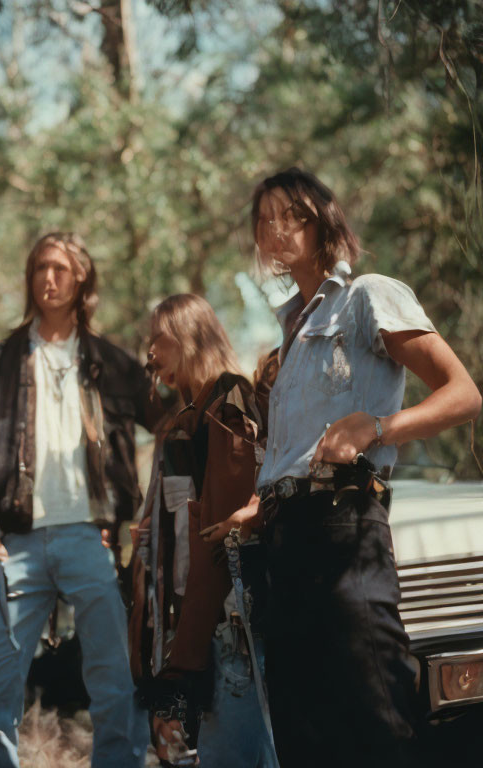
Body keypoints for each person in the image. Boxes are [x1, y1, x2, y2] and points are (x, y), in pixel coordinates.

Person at [250, 166, 482, 768]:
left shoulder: (367, 296)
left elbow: (463, 394)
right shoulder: (288, 330)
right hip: (283, 541)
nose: (276, 229)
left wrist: (376, 427)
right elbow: (294, 449)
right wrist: (258, 501)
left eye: (290, 215)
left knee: (380, 718)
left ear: (322, 218)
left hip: (344, 527)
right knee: (303, 734)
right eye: (264, 220)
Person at [0, 231, 160, 768]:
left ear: (81, 280)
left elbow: (169, 426)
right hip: (18, 543)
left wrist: (149, 514)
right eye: (40, 268)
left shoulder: (111, 363)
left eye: (61, 269)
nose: (49, 278)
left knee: (116, 683)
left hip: (91, 538)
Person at [128, 294, 277, 768]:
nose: (150, 354)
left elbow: (225, 543)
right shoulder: (185, 419)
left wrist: (181, 670)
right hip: (207, 632)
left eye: (158, 339)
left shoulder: (228, 404)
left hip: (232, 630)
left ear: (188, 335)